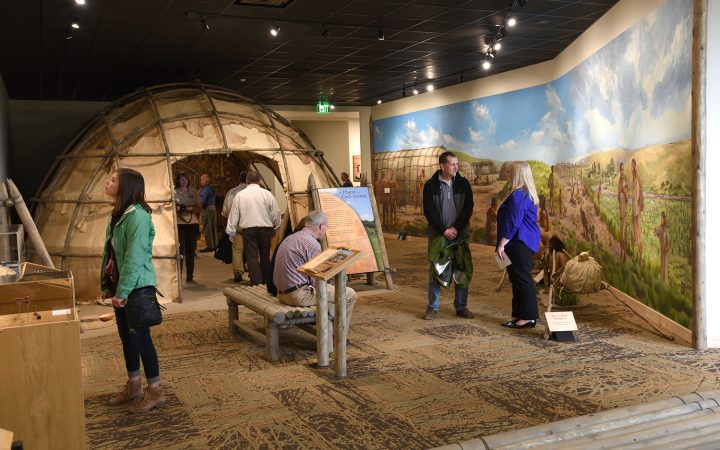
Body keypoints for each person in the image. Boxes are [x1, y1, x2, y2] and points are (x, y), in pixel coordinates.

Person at [101, 168, 165, 413]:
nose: (108, 182)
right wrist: (109, 286)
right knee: (126, 337)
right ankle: (134, 385)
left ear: (126, 187)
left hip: (136, 286)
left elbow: (134, 258)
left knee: (141, 338)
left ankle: (156, 391)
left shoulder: (137, 216)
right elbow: (111, 254)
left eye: (114, 180)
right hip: (122, 285)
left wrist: (123, 292)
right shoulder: (118, 215)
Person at [274, 211, 357, 327]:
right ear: (320, 226)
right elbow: (317, 279)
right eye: (326, 227)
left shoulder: (291, 238)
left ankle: (328, 324)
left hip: (281, 293)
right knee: (350, 294)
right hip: (297, 296)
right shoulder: (311, 244)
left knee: (332, 291)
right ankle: (337, 335)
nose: (325, 231)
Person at [422, 151, 475, 320]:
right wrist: (444, 229)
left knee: (461, 269)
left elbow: (468, 208)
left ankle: (461, 306)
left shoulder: (463, 184)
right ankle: (433, 307)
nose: (456, 167)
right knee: (436, 271)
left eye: (456, 164)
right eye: (452, 164)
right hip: (439, 235)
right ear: (442, 166)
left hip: (460, 235)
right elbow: (429, 211)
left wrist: (456, 228)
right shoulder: (430, 186)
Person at [496, 161, 542, 329]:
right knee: (515, 279)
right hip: (516, 241)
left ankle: (529, 317)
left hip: (519, 241)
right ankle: (517, 315)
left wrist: (501, 245)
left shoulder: (519, 195)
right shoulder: (521, 193)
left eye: (511, 171)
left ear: (517, 174)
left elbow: (513, 222)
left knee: (523, 279)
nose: (509, 174)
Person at [225, 171, 281, 285]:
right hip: (265, 229)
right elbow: (276, 212)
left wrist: (231, 231)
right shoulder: (267, 194)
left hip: (248, 230)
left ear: (247, 181)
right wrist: (276, 226)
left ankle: (256, 282)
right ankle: (266, 280)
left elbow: (234, 213)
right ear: (259, 180)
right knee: (265, 255)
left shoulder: (240, 195)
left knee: (252, 256)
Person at [174, 172, 202, 283]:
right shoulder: (173, 192)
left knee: (190, 250)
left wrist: (191, 209)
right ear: (178, 180)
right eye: (181, 179)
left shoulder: (194, 192)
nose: (184, 181)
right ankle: (179, 276)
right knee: (180, 251)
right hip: (179, 224)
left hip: (192, 223)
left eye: (185, 179)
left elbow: (200, 208)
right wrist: (175, 208)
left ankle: (190, 275)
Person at [222, 170, 248, 282]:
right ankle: (253, 271)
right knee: (251, 249)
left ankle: (238, 272)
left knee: (237, 249)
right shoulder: (254, 192)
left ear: (239, 179)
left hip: (236, 224)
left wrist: (227, 225)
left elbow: (225, 211)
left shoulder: (231, 192)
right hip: (251, 224)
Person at [198, 173, 218, 252]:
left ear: (206, 180)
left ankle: (210, 246)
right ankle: (215, 245)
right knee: (213, 227)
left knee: (207, 228)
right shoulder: (211, 188)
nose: (200, 181)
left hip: (207, 209)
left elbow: (202, 201)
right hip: (213, 208)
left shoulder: (205, 189)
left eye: (202, 179)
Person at [631, 158, 644, 258]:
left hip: (636, 210)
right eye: (631, 167)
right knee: (634, 230)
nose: (631, 169)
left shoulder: (636, 181)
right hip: (634, 209)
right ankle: (634, 254)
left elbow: (638, 197)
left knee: (638, 231)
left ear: (635, 168)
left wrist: (637, 209)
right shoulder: (634, 180)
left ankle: (640, 255)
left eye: (632, 166)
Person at [617, 162, 628, 260]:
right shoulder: (620, 184)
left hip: (624, 213)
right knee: (622, 234)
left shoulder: (624, 183)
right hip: (621, 213)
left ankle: (624, 254)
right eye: (621, 170)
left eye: (623, 169)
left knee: (624, 233)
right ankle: (622, 252)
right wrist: (622, 192)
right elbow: (618, 197)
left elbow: (626, 198)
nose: (622, 171)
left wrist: (624, 192)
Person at [655, 211, 669, 283]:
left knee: (664, 263)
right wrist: (655, 231)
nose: (661, 220)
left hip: (664, 249)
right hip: (662, 249)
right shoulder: (661, 228)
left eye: (662, 218)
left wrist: (667, 246)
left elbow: (666, 238)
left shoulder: (664, 229)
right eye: (661, 218)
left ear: (664, 219)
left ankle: (664, 280)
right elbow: (656, 234)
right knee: (662, 263)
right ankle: (663, 279)